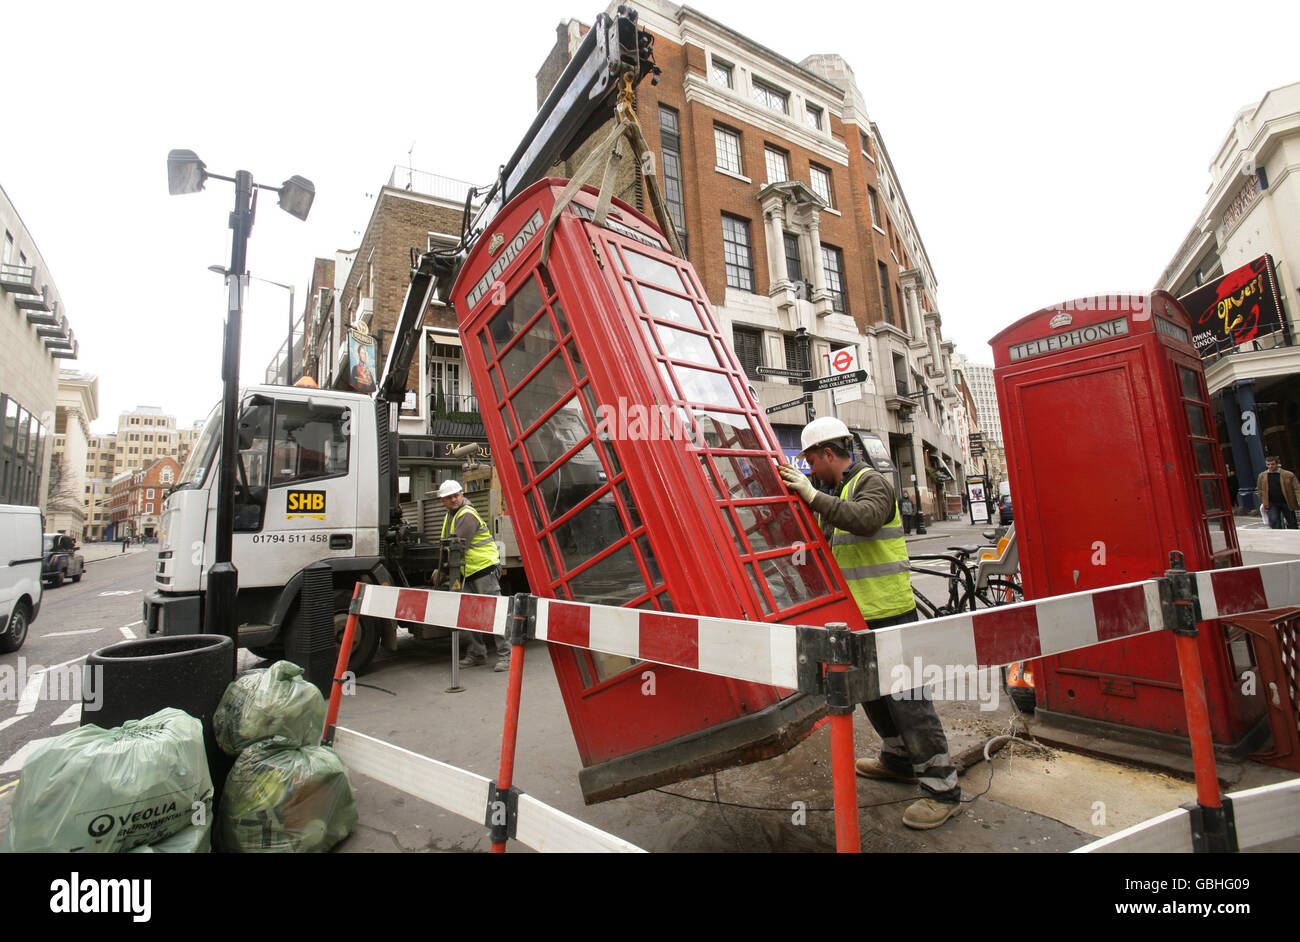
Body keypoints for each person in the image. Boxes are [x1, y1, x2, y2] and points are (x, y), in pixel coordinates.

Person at [779, 416, 962, 830]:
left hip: (891, 612)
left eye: (811, 461)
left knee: (909, 701)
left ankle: (942, 789)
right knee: (872, 696)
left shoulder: (872, 483)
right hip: (855, 616)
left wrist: (810, 495)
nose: (809, 471)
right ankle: (897, 758)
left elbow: (865, 520)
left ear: (828, 454)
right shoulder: (835, 490)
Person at [437, 479, 510, 670]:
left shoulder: (466, 515)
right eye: (449, 497)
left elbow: (457, 548)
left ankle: (507, 656)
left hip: (483, 568)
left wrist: (442, 571)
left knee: (493, 612)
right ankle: (477, 654)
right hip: (468, 571)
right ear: (443, 501)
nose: (453, 499)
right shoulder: (451, 515)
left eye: (456, 495)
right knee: (470, 615)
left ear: (462, 494)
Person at [1257, 456, 1300, 529]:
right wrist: (1262, 502)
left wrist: (1299, 500)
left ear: (1277, 464)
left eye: (1272, 464)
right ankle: (1279, 537)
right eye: (1268, 464)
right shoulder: (1262, 476)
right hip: (1272, 503)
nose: (1270, 466)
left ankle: (1293, 537)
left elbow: (1297, 489)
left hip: (1287, 501)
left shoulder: (1289, 475)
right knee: (1274, 521)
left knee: (1292, 522)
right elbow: (1260, 490)